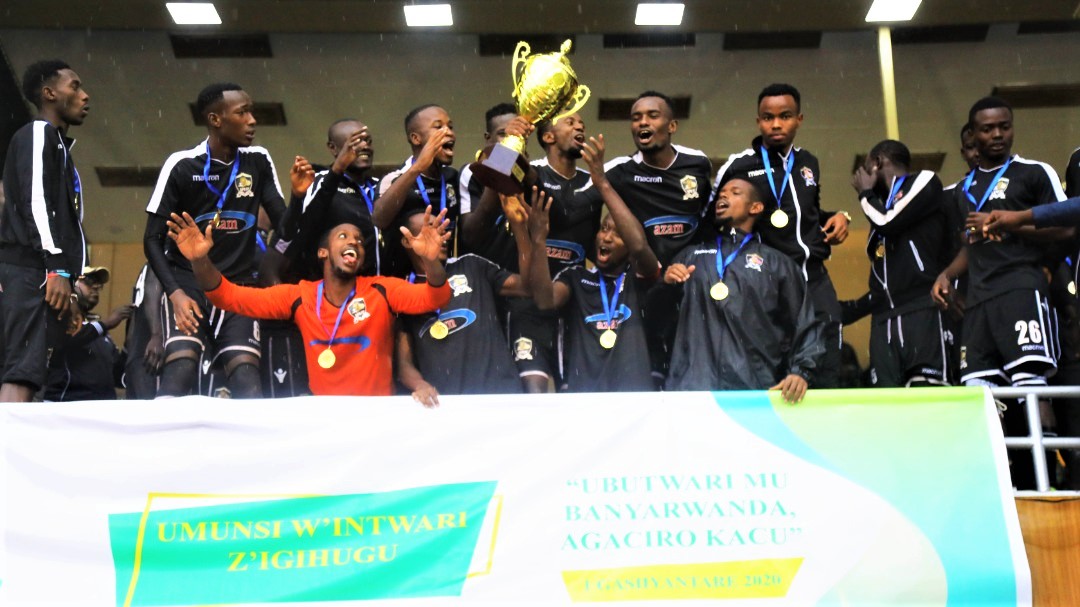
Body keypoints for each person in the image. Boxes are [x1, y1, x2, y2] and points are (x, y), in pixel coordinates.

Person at [166, 207, 452, 396]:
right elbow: (228, 297)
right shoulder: (300, 296)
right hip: (322, 421)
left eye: (359, 240)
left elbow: (435, 297)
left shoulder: (382, 290)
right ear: (323, 253)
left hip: (374, 418)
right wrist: (200, 260)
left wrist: (430, 262)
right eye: (343, 236)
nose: (354, 242)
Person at [143, 82, 287, 399]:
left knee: (248, 380)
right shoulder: (181, 164)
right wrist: (176, 294)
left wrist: (302, 197)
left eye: (252, 111)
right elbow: (151, 241)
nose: (252, 120)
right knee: (180, 370)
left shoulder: (258, 160)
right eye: (242, 112)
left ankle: (254, 448)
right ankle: (161, 446)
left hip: (237, 287)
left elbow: (285, 227)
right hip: (187, 283)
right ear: (215, 120)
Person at [711, 83, 848, 388]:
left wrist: (839, 216)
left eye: (785, 116)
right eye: (767, 117)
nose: (775, 124)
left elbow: (809, 212)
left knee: (826, 369)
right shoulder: (739, 165)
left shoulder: (808, 163)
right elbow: (712, 219)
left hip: (814, 277)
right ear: (758, 121)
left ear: (800, 119)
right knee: (775, 370)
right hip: (768, 283)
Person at [661, 178, 823, 402]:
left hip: (754, 393)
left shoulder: (777, 264)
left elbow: (804, 323)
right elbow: (657, 323)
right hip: (691, 392)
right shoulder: (689, 257)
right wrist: (665, 287)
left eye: (735, 192)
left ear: (755, 207)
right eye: (721, 194)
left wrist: (801, 372)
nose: (723, 196)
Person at [529, 134, 660, 392]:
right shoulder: (576, 278)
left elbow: (638, 246)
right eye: (603, 229)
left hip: (636, 401)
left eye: (617, 233)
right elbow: (545, 302)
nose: (606, 237)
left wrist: (600, 182)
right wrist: (538, 241)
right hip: (582, 401)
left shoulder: (640, 278)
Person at [0, 60, 90, 402]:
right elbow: (35, 200)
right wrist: (56, 267)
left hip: (34, 270)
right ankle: (6, 454)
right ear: (49, 93)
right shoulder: (39, 133)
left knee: (29, 372)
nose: (84, 95)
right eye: (75, 86)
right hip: (31, 269)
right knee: (22, 372)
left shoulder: (55, 144)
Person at [396, 194, 533, 404]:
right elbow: (404, 363)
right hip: (448, 407)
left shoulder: (470, 265)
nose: (440, 234)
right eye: (429, 229)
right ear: (407, 241)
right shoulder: (402, 291)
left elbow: (528, 286)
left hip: (502, 397)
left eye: (441, 228)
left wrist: (521, 229)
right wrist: (420, 385)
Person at [848, 139, 950, 386]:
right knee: (889, 403)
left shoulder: (924, 180)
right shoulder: (880, 208)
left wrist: (864, 193)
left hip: (921, 309)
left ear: (877, 162)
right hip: (884, 320)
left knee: (926, 393)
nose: (861, 176)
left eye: (865, 168)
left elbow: (887, 223)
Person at [373, 104, 459, 276]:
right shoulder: (395, 178)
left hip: (446, 279)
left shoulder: (453, 177)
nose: (448, 131)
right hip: (404, 283)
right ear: (415, 138)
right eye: (438, 126)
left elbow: (496, 178)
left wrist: (512, 143)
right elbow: (379, 219)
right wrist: (417, 167)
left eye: (450, 126)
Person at [45, 267, 132, 401]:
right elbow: (67, 341)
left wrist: (130, 342)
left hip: (98, 414)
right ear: (69, 283)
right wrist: (105, 324)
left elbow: (118, 379)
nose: (96, 286)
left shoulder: (100, 331)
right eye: (89, 281)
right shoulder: (59, 317)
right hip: (64, 409)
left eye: (98, 283)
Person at [121, 264, 164, 399]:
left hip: (137, 355)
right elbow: (152, 290)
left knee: (140, 417)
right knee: (158, 417)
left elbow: (135, 315)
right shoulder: (163, 256)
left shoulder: (146, 266)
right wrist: (156, 335)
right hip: (153, 355)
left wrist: (131, 355)